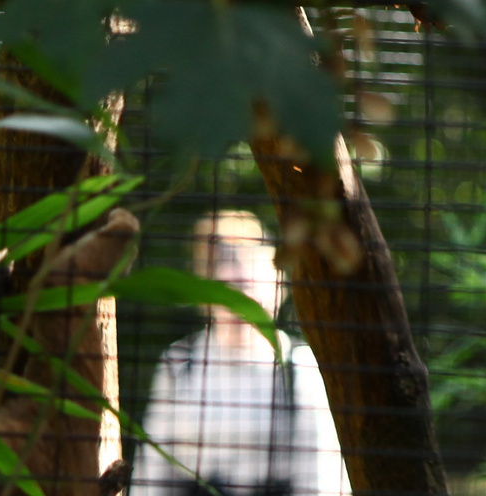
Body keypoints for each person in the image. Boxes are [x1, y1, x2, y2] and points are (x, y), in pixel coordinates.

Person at [130, 211, 350, 496]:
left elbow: (322, 480)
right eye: (231, 290)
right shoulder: (178, 363)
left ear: (277, 290)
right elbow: (152, 474)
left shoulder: (302, 366)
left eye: (249, 288)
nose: (241, 305)